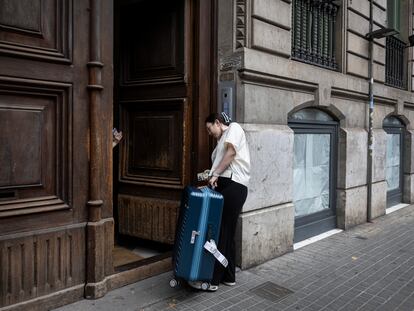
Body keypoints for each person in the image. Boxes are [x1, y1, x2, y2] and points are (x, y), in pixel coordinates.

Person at [189, 112, 250, 292]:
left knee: (221, 233)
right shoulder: (219, 144)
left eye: (209, 128)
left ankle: (212, 280)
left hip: (234, 185)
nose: (209, 133)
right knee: (227, 233)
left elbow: (231, 152)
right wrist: (210, 176)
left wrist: (215, 174)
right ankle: (229, 276)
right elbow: (219, 166)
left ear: (218, 122)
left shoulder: (234, 128)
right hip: (226, 186)